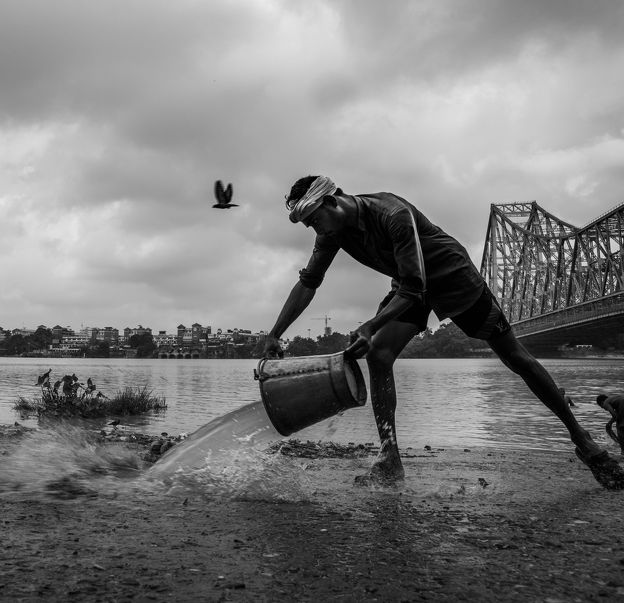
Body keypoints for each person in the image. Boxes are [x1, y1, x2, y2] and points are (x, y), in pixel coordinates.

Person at [261, 175, 624, 490]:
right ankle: (389, 459)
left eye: (314, 220)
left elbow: (415, 286)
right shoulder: (332, 231)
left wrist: (371, 325)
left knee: (514, 356)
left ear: (331, 201)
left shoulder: (391, 213)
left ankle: (582, 438)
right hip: (409, 284)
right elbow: (309, 282)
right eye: (308, 225)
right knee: (379, 355)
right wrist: (275, 333)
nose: (315, 230)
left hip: (452, 275)